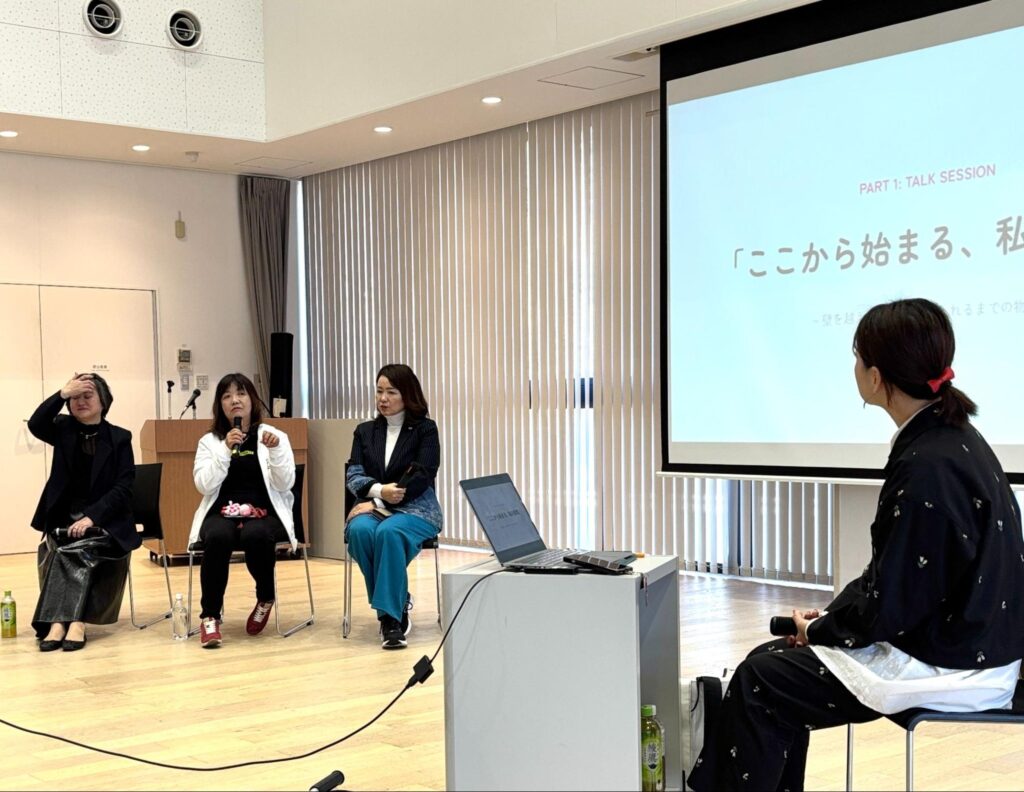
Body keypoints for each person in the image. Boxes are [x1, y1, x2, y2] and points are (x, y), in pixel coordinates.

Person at [688, 298, 1024, 792]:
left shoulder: (927, 466)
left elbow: (893, 602)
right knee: (770, 665)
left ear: (875, 376)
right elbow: (893, 580)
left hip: (955, 663)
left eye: (856, 357)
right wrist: (827, 620)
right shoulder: (949, 439)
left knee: (762, 680)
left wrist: (821, 629)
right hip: (968, 642)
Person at [28, 373, 137, 652]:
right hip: (65, 517)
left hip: (106, 520)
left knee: (72, 550)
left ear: (103, 402)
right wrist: (62, 393)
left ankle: (68, 621)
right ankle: (64, 621)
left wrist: (93, 517)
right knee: (64, 543)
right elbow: (36, 423)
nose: (80, 402)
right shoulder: (63, 428)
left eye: (87, 396)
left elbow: (123, 487)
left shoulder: (119, 438)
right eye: (75, 397)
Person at [189, 373, 296, 648]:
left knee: (255, 535)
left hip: (264, 512)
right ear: (220, 405)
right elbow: (203, 485)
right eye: (227, 396)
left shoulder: (274, 436)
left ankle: (265, 597)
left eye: (241, 393)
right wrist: (225, 449)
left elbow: (286, 484)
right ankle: (210, 616)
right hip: (221, 511)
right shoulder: (210, 441)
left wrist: (275, 452)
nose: (234, 400)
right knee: (217, 536)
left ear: (252, 399)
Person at [346, 364, 442, 650]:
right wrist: (379, 494)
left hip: (416, 508)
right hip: (372, 508)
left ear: (407, 395)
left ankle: (391, 620)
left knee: (389, 532)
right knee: (361, 532)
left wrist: (378, 499)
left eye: (391, 392)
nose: (383, 398)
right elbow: (354, 475)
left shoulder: (425, 430)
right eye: (379, 391)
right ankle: (397, 604)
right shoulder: (365, 432)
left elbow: (422, 474)